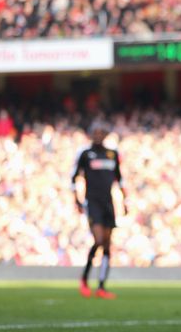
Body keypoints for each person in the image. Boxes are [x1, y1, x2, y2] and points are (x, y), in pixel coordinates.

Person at [72, 122, 127, 299]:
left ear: (105, 134)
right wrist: (77, 200)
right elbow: (74, 177)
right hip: (93, 202)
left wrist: (125, 201)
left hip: (108, 202)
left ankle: (102, 285)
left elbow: (119, 179)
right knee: (99, 240)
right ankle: (85, 278)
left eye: (100, 132)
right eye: (94, 132)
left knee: (107, 244)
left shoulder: (112, 154)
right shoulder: (85, 154)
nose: (97, 135)